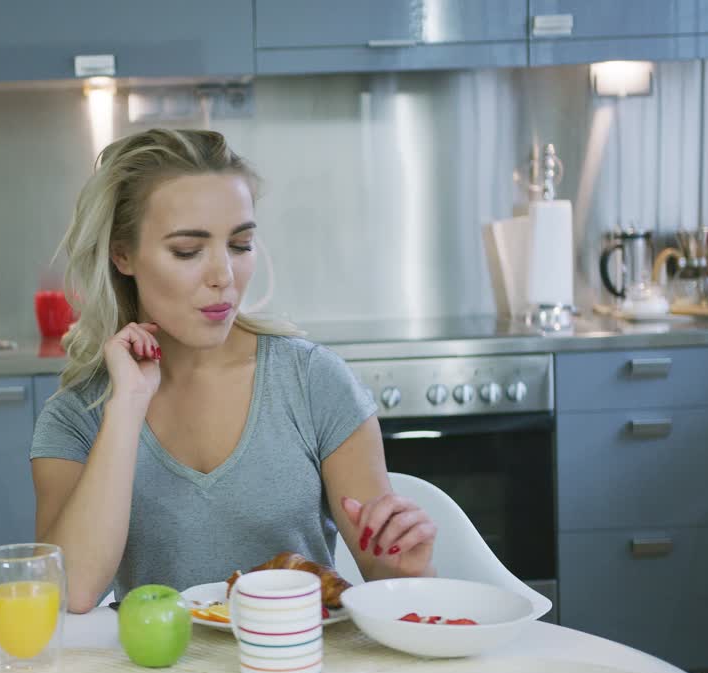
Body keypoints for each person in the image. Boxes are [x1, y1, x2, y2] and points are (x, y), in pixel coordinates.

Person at [31, 129, 437, 613]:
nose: (223, 275)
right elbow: (70, 593)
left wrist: (407, 566)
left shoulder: (314, 383)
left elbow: (385, 583)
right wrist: (126, 407)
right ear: (123, 254)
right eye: (188, 250)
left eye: (240, 245)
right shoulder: (78, 414)